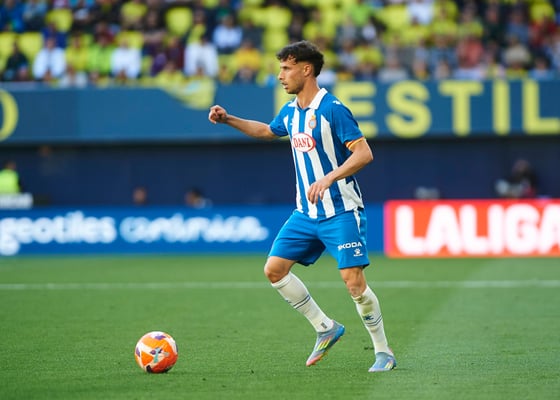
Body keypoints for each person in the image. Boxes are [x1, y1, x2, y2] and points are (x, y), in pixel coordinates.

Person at [208, 40, 396, 373]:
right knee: (274, 270)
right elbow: (267, 131)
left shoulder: (333, 109)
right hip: (306, 213)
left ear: (306, 69)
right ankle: (325, 327)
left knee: (353, 282)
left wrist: (329, 178)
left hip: (341, 211)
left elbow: (364, 153)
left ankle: (383, 352)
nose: (280, 75)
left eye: (286, 68)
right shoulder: (291, 111)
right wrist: (228, 120)